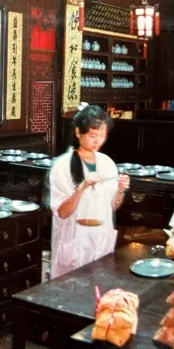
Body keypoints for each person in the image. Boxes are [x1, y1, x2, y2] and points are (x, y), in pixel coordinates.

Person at [49, 104, 130, 277]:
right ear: (78, 132)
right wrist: (82, 187)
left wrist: (120, 190)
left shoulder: (107, 163)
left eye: (102, 135)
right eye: (93, 135)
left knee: (99, 285)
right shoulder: (62, 166)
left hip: (101, 240)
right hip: (74, 242)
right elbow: (62, 213)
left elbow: (112, 207)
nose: (98, 141)